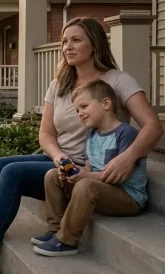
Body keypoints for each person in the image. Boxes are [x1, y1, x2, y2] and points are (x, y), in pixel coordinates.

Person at [0, 17, 163, 274]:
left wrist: (128, 158)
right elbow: (46, 133)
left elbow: (153, 126)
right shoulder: (59, 83)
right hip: (63, 164)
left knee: (12, 174)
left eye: (76, 40)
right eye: (64, 41)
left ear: (94, 44)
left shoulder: (117, 81)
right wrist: (58, 156)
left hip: (92, 170)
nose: (67, 47)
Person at [33, 79, 147, 256]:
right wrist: (74, 173)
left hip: (127, 196)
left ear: (106, 104)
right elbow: (89, 169)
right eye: (77, 110)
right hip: (101, 191)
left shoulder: (126, 134)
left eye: (84, 106)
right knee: (52, 175)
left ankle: (67, 241)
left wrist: (85, 178)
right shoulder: (92, 134)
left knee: (86, 185)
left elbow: (120, 177)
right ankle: (55, 230)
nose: (80, 113)